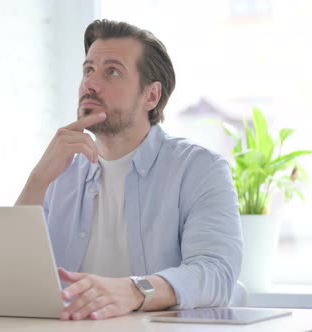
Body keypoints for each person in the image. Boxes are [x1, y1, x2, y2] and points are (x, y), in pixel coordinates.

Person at [16, 19, 243, 320]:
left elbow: (215, 272)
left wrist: (136, 290)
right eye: (88, 70)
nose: (90, 84)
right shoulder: (60, 171)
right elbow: (9, 273)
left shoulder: (199, 169)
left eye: (112, 71)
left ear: (151, 96)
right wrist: (38, 179)